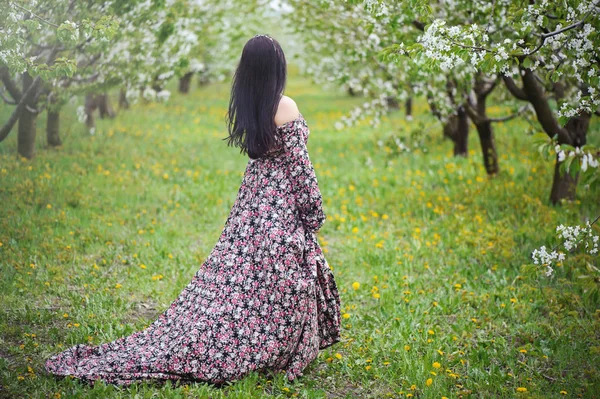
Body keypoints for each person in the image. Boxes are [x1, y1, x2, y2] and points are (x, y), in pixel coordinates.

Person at [44, 34, 342, 387]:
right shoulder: (284, 105)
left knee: (241, 280)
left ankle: (249, 339)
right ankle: (268, 348)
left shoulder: (250, 101)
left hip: (252, 203)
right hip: (277, 204)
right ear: (277, 68)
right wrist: (314, 211)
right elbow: (300, 167)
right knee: (279, 280)